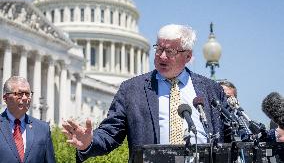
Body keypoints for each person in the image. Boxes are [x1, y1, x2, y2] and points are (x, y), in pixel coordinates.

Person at [61, 24, 233, 161]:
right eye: (159, 49)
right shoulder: (131, 90)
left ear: (188, 56)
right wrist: (89, 142)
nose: (162, 56)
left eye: (170, 51)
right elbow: (110, 133)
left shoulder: (211, 90)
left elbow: (231, 134)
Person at [0, 76, 56, 163]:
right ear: (5, 98)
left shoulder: (43, 129)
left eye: (28, 94)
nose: (25, 98)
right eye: (20, 94)